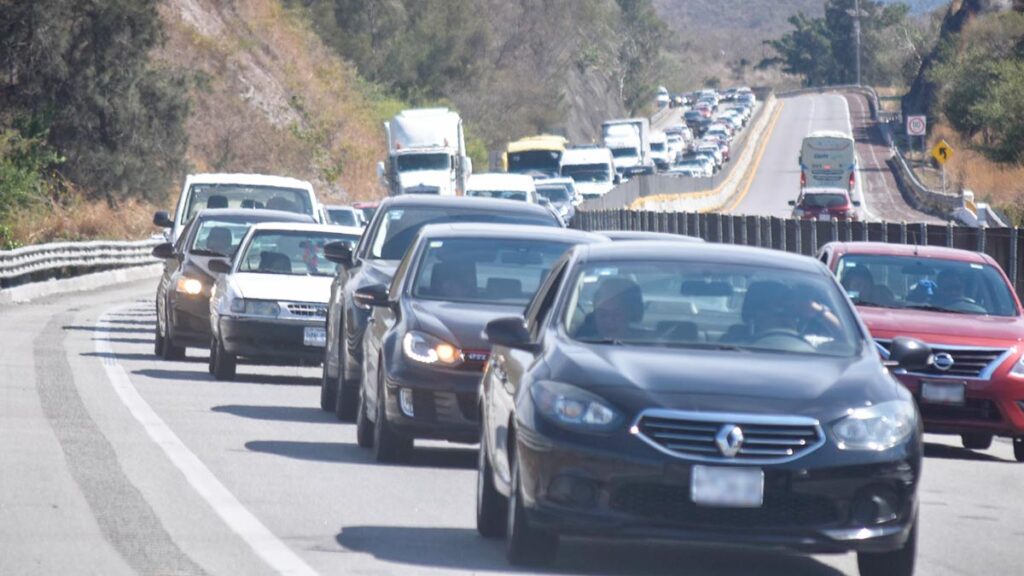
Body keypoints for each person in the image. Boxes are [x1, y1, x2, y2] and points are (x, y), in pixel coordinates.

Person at [574, 277, 644, 341]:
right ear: (595, 315)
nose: (609, 321)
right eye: (603, 314)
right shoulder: (577, 344)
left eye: (616, 314)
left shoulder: (649, 346)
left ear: (630, 315)